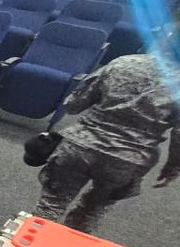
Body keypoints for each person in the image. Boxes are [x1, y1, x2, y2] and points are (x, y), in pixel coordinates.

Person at [33, 53, 179, 233]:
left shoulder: (124, 62)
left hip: (80, 146)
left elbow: (73, 105)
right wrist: (172, 169)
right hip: (128, 161)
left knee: (50, 206)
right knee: (90, 213)